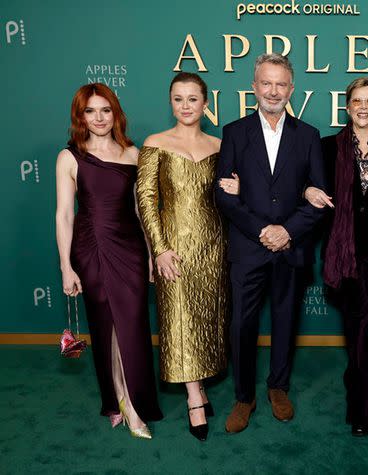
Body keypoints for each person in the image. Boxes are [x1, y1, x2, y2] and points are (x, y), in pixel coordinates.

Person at [215, 53, 326, 434]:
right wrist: (264, 230)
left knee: (285, 321)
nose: (273, 91)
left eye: (281, 84)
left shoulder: (309, 136)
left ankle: (278, 387)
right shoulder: (233, 132)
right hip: (249, 248)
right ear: (254, 87)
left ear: (292, 89)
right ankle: (243, 397)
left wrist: (287, 232)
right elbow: (225, 197)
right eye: (267, 83)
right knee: (242, 326)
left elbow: (320, 198)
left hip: (291, 248)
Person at [55, 83, 162, 439]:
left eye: (105, 110)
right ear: (80, 116)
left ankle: (128, 401)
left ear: (115, 113)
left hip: (129, 247)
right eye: (91, 111)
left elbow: (140, 209)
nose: (99, 118)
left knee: (131, 325)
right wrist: (66, 266)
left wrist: (149, 254)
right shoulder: (69, 157)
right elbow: (64, 215)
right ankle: (125, 406)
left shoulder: (133, 153)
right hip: (91, 248)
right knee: (106, 327)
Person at [303, 77, 368, 437]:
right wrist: (308, 188)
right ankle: (362, 409)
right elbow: (303, 181)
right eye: (357, 101)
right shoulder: (327, 147)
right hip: (343, 252)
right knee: (361, 326)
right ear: (347, 108)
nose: (363, 107)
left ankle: (353, 374)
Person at [136, 72, 230, 442]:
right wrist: (158, 249)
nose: (186, 105)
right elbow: (146, 201)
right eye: (179, 98)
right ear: (171, 103)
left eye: (193, 99)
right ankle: (193, 397)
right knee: (179, 318)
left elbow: (232, 198)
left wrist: (237, 188)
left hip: (214, 247)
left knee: (207, 318)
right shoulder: (155, 143)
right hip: (173, 248)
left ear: (206, 104)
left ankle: (201, 384)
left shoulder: (221, 145)